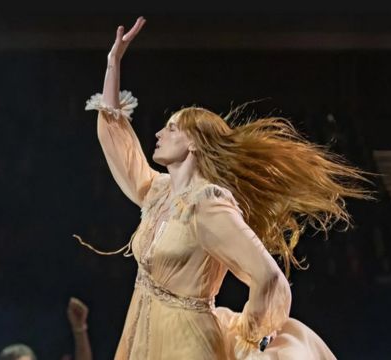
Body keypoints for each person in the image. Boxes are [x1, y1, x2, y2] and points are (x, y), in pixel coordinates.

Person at [77, 16, 373, 359]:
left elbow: (269, 276)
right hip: (143, 333)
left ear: (195, 143)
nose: (158, 134)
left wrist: (253, 333)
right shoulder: (158, 192)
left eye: (172, 129)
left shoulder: (209, 204)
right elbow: (119, 145)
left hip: (187, 343)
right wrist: (113, 64)